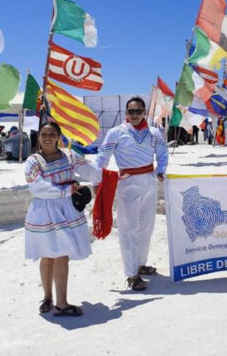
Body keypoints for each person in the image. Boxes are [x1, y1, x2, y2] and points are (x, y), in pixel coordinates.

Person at [24, 122, 101, 317]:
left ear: (59, 136)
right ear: (39, 137)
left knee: (61, 254)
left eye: (52, 134)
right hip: (45, 211)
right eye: (44, 134)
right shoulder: (33, 161)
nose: (47, 138)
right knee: (47, 254)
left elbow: (91, 170)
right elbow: (37, 187)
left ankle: (60, 302)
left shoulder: (69, 155)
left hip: (66, 210)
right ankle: (49, 297)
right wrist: (66, 190)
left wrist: (103, 180)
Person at [96, 97, 168, 291]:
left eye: (138, 111)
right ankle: (131, 274)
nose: (134, 115)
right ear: (126, 113)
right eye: (131, 111)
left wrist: (161, 169)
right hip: (128, 183)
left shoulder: (153, 132)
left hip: (149, 181)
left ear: (144, 112)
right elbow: (103, 157)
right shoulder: (116, 132)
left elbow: (163, 152)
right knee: (129, 229)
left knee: (146, 225)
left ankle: (140, 263)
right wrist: (98, 180)